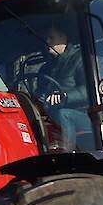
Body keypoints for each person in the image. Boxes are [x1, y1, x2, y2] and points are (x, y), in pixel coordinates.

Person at [36, 21, 90, 150]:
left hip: (83, 115)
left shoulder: (80, 59)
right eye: (45, 38)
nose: (47, 41)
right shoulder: (45, 69)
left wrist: (65, 96)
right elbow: (40, 94)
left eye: (51, 37)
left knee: (64, 114)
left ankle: (67, 153)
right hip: (52, 115)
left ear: (64, 37)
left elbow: (89, 89)